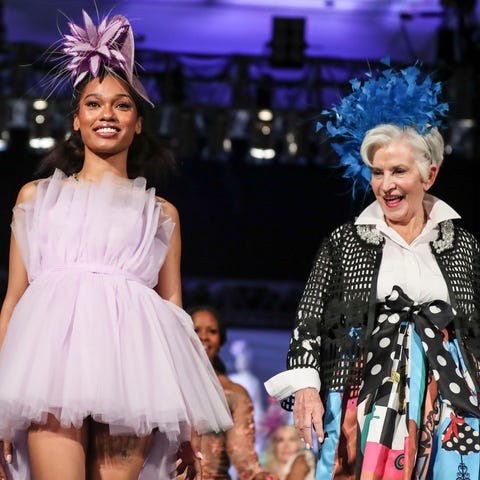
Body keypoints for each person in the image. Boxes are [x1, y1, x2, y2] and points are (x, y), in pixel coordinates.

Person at [0, 10, 232, 480]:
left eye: (122, 105)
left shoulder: (161, 213)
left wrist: (183, 421)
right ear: (77, 119)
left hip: (134, 378)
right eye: (94, 103)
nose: (107, 114)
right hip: (49, 377)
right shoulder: (35, 198)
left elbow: (174, 314)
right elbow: (12, 303)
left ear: (139, 122)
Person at [265, 60, 480, 479]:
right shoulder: (346, 242)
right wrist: (308, 387)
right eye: (378, 173)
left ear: (429, 174)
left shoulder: (463, 245)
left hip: (450, 397)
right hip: (367, 391)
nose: (386, 184)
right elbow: (309, 319)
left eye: (399, 171)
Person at [190, 305, 273, 480]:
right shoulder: (166, 385)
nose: (203, 337)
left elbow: (244, 457)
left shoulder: (234, 393)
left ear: (221, 341)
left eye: (212, 331)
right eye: (195, 330)